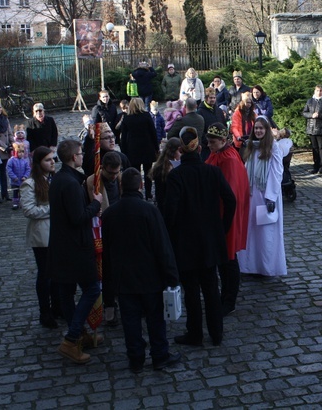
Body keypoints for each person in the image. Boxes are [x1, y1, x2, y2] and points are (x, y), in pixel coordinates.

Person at [101, 167, 182, 373]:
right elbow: (162, 246)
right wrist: (172, 276)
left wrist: (108, 283)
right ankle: (159, 356)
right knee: (155, 319)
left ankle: (136, 358)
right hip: (150, 277)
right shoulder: (150, 211)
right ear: (141, 186)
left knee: (130, 321)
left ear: (121, 186)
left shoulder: (110, 214)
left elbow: (107, 251)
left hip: (124, 277)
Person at [163, 126, 236, 347]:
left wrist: (171, 234)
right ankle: (216, 333)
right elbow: (231, 200)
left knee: (192, 291)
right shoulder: (212, 172)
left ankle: (194, 333)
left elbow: (170, 212)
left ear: (181, 151)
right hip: (211, 240)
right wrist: (222, 227)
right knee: (212, 288)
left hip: (185, 242)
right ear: (199, 147)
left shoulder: (176, 176)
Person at [48, 139, 103, 364]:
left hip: (63, 247)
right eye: (80, 153)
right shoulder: (69, 184)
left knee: (66, 293)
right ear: (73, 158)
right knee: (91, 289)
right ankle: (71, 339)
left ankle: (79, 335)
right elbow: (78, 217)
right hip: (75, 248)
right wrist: (96, 204)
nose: (82, 156)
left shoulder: (61, 179)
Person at [206, 123, 250, 315]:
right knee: (223, 258)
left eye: (212, 142)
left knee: (229, 259)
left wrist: (222, 221)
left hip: (226, 217)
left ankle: (229, 300)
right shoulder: (218, 153)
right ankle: (224, 296)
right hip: (217, 215)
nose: (208, 145)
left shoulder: (229, 159)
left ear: (223, 141)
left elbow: (230, 195)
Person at [238, 117, 286, 277]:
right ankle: (250, 265)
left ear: (266, 130)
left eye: (261, 128)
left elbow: (277, 171)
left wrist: (271, 196)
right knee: (251, 230)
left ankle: (266, 267)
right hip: (252, 195)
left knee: (266, 232)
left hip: (266, 195)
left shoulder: (273, 147)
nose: (258, 131)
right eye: (256, 128)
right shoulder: (251, 147)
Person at [21, 146, 57, 329]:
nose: (52, 162)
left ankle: (56, 307)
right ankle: (45, 311)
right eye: (48, 160)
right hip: (42, 236)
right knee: (45, 275)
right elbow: (28, 209)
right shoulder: (30, 184)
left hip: (55, 233)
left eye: (52, 159)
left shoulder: (50, 179)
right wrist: (53, 209)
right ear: (39, 163)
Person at [86, 150, 123, 326]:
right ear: (104, 168)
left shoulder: (120, 178)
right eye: (111, 173)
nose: (114, 176)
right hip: (103, 231)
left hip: (120, 229)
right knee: (107, 273)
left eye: (117, 172)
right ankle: (109, 307)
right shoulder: (94, 181)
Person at [119, 98, 159, 200]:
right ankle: (148, 194)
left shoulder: (127, 118)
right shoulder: (146, 116)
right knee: (148, 173)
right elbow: (153, 133)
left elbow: (123, 137)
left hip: (133, 149)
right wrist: (156, 148)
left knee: (135, 173)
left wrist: (123, 151)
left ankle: (137, 193)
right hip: (147, 148)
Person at [302, 84, 322, 174]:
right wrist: (311, 115)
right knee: (314, 148)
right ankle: (315, 166)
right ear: (314, 91)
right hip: (311, 128)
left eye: (320, 91)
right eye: (317, 90)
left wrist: (320, 115)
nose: (319, 92)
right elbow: (304, 112)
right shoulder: (310, 101)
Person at [149, 137, 182, 214]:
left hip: (162, 202)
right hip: (167, 203)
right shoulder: (169, 168)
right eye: (180, 151)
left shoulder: (160, 165)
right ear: (174, 151)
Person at [198, 88, 227, 160]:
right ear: (206, 98)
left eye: (214, 98)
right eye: (211, 98)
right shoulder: (200, 112)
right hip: (207, 148)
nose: (213, 100)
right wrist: (209, 142)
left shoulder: (219, 111)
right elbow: (200, 131)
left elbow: (224, 125)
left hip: (220, 147)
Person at [6, 143, 30, 210]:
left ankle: (22, 202)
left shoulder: (24, 161)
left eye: (22, 152)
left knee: (22, 192)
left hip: (22, 180)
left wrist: (25, 176)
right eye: (19, 152)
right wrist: (14, 177)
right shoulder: (11, 160)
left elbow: (28, 169)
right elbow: (9, 170)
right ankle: (15, 203)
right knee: (15, 192)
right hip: (15, 180)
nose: (21, 154)